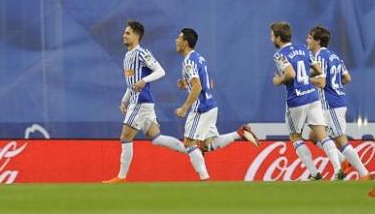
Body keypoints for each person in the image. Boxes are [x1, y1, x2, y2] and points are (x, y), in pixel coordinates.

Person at [102, 20, 187, 183]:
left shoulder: (142, 53)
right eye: (124, 33)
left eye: (127, 33)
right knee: (156, 138)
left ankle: (121, 177)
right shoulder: (127, 56)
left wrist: (144, 80)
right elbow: (131, 82)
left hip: (140, 102)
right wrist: (124, 99)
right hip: (139, 102)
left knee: (125, 137)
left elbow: (160, 71)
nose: (124, 35)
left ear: (136, 35)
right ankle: (190, 149)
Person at [174, 28, 259, 181]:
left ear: (186, 42)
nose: (176, 40)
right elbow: (209, 83)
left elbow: (198, 86)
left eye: (179, 38)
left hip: (201, 108)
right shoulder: (199, 58)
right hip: (211, 105)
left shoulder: (188, 61)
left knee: (188, 143)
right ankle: (240, 133)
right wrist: (186, 83)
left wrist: (184, 108)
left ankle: (205, 179)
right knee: (207, 145)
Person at [269, 21, 344, 180]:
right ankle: (338, 169)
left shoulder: (279, 55)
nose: (271, 39)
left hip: (296, 100)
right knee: (323, 136)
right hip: (312, 97)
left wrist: (279, 80)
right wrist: (314, 78)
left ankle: (314, 172)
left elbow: (290, 74)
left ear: (279, 38)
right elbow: (318, 68)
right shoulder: (302, 48)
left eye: (272, 36)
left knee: (295, 136)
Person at [306, 25, 370, 180]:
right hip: (335, 102)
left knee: (341, 140)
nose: (306, 40)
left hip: (331, 104)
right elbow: (347, 78)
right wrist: (335, 85)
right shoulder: (335, 57)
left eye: (309, 37)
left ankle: (364, 174)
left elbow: (321, 82)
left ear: (318, 41)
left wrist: (303, 80)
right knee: (313, 136)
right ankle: (342, 160)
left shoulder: (319, 58)